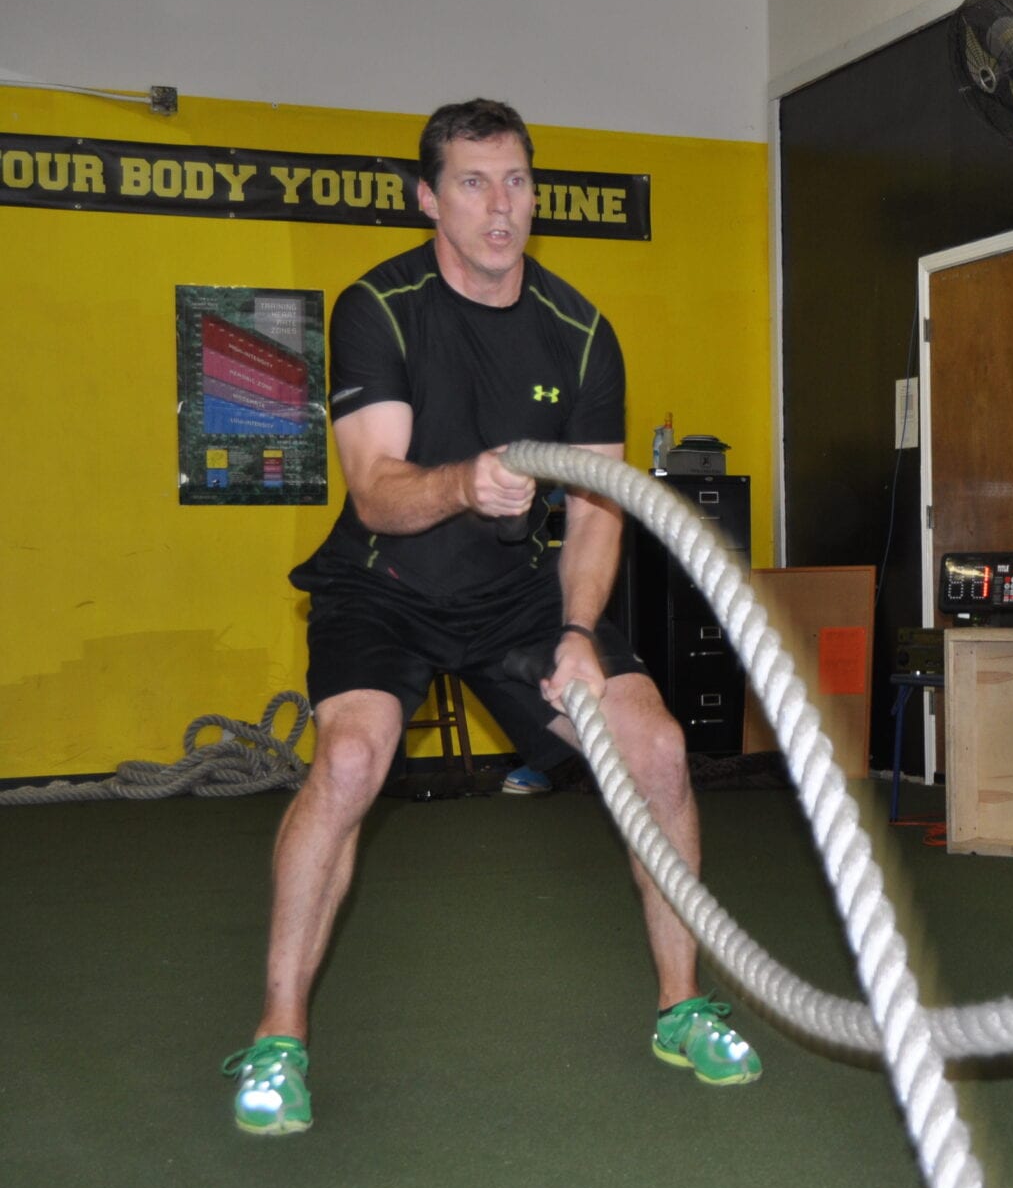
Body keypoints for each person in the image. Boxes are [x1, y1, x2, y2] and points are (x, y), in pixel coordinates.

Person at [221, 99, 759, 1136]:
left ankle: (680, 1006)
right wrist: (466, 484)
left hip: (515, 594)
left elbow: (600, 513)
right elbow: (376, 488)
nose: (498, 205)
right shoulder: (377, 308)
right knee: (347, 762)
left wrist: (573, 628)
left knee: (652, 751)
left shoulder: (581, 331)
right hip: (381, 583)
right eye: (471, 182)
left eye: (514, 180)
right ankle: (279, 1033)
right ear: (428, 197)